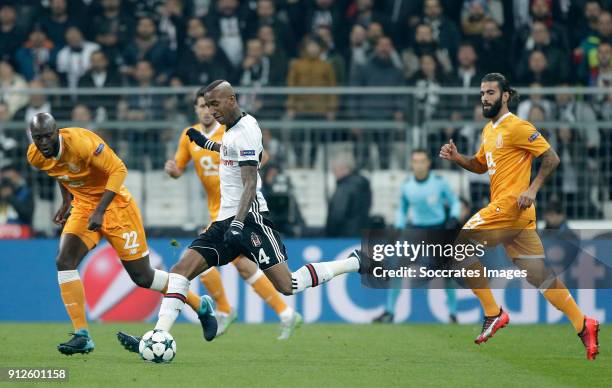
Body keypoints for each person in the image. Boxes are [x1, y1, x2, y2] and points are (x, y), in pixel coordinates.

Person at [116, 80, 363, 352]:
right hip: (225, 220)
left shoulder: (245, 130)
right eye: (207, 105)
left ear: (231, 100)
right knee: (180, 271)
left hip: (251, 219)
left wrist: (237, 223)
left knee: (288, 284)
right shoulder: (231, 130)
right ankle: (158, 336)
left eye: (215, 104)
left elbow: (249, 182)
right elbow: (230, 153)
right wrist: (207, 144)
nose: (211, 111)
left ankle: (351, 263)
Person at [439, 73, 600, 360]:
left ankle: (493, 313)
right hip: (517, 217)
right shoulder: (489, 130)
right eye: (482, 93)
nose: (484, 98)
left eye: (490, 93)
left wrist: (533, 189)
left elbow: (551, 158)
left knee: (460, 248)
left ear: (504, 96)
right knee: (539, 275)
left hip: (510, 207)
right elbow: (480, 165)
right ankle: (582, 322)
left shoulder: (517, 126)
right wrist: (458, 158)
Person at [26, 113, 216, 356]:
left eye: (47, 136)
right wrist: (66, 201)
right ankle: (82, 334)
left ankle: (201, 306)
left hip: (116, 207)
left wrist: (100, 211)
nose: (42, 143)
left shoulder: (82, 143)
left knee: (143, 277)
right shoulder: (35, 156)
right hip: (84, 207)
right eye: (37, 137)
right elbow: (61, 174)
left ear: (57, 132)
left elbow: (118, 169)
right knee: (64, 261)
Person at [160, 93, 301, 339]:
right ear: (195, 109)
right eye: (201, 106)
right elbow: (179, 169)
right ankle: (284, 313)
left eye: (209, 105)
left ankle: (226, 309)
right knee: (241, 267)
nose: (206, 111)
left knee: (203, 262)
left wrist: (243, 173)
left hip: (238, 209)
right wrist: (173, 171)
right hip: (219, 209)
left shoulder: (230, 129)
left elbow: (261, 158)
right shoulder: (191, 135)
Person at [373, 149, 460, 324]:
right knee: (397, 268)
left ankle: (453, 313)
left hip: (438, 230)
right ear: (412, 164)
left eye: (422, 161)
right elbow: (402, 208)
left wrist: (453, 217)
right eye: (415, 161)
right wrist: (398, 226)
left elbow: (454, 201)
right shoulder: (407, 185)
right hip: (416, 231)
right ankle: (389, 312)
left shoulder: (439, 183)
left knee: (448, 273)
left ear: (428, 163)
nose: (419, 165)